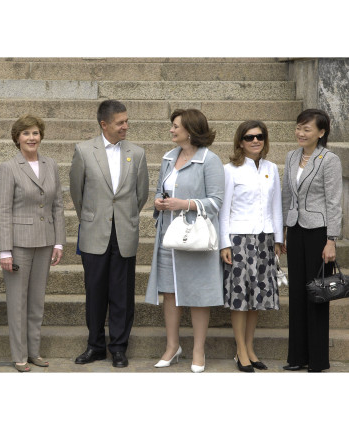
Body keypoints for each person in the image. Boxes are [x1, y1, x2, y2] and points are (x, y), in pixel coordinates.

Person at [69, 100, 149, 368]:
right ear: (104, 124)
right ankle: (95, 346)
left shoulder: (136, 153)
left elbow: (141, 194)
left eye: (126, 121)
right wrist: (92, 218)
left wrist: (123, 217)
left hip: (125, 232)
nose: (126, 126)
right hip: (94, 231)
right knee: (94, 292)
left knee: (122, 293)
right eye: (120, 122)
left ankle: (119, 347)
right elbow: (76, 192)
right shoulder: (83, 150)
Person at [146, 109, 224, 373]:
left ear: (190, 130)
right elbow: (160, 191)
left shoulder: (209, 160)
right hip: (170, 236)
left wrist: (185, 204)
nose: (171, 130)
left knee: (199, 295)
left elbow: (216, 202)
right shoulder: (169, 158)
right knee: (169, 291)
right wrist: (159, 202)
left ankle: (199, 350)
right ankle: (172, 347)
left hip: (197, 238)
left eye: (175, 126)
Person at [0, 114, 66, 372]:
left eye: (35, 133)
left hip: (46, 241)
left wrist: (59, 242)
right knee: (17, 301)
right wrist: (5, 250)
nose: (31, 138)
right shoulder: (9, 167)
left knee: (37, 300)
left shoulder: (51, 164)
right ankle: (20, 355)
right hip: (18, 244)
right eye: (26, 133)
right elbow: (3, 210)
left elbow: (58, 205)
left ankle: (34, 350)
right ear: (17, 138)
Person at [219, 121, 283, 372]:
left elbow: (275, 205)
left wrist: (278, 239)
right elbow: (224, 211)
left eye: (260, 136)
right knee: (239, 297)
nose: (255, 141)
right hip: (239, 239)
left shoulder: (271, 168)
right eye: (249, 137)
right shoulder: (230, 170)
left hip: (265, 239)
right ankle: (240, 351)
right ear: (240, 141)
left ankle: (250, 347)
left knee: (258, 296)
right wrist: (224, 243)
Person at [281, 109, 342, 372]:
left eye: (307, 129)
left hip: (319, 232)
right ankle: (297, 357)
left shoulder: (329, 159)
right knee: (296, 292)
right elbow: (286, 196)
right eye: (298, 127)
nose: (301, 133)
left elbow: (334, 201)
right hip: (294, 230)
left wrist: (331, 240)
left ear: (321, 132)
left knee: (316, 293)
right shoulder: (291, 156)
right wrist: (282, 230)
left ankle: (317, 360)